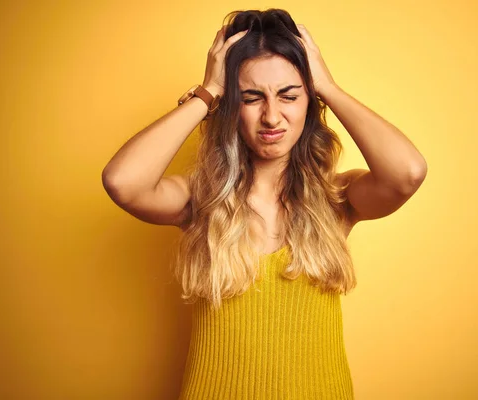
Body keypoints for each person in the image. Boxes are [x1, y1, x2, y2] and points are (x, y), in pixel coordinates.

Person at [102, 8, 427, 400]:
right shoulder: (200, 200)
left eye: (289, 95)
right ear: (230, 106)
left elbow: (407, 172)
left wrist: (328, 86)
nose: (272, 116)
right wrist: (209, 92)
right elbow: (122, 182)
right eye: (251, 98)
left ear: (310, 102)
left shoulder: (337, 198)